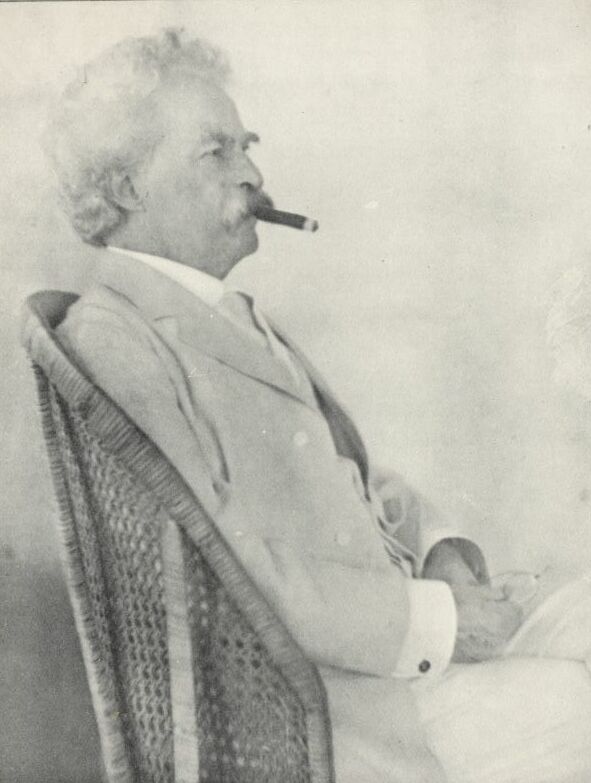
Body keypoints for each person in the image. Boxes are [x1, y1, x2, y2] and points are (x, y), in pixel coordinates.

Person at [24, 29, 591, 783]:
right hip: (332, 712)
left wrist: (440, 553)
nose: (252, 174)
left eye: (246, 146)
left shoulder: (224, 312)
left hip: (404, 647)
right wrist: (441, 623)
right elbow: (225, 563)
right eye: (214, 153)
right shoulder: (116, 340)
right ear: (127, 189)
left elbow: (348, 474)